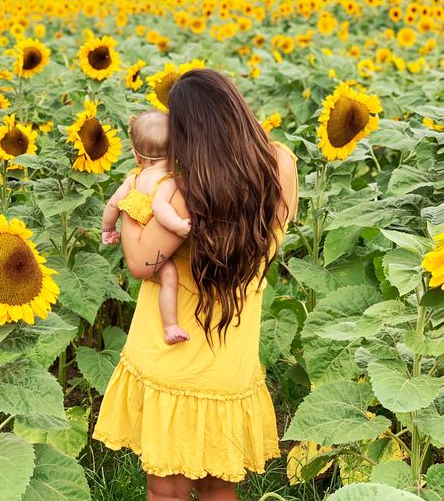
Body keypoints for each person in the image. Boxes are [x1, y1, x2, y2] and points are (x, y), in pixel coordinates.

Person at [92, 68, 299, 501]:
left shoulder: (186, 192)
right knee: (219, 482)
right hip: (231, 352)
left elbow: (138, 262)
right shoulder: (279, 165)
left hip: (172, 351)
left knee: (167, 488)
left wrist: (135, 193)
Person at [101, 110, 191, 344]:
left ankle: (168, 325)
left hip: (133, 238)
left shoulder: (133, 178)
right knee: (170, 275)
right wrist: (179, 226)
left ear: (136, 156)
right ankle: (170, 326)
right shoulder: (167, 180)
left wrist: (108, 230)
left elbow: (113, 204)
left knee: (163, 275)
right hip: (149, 245)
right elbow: (161, 210)